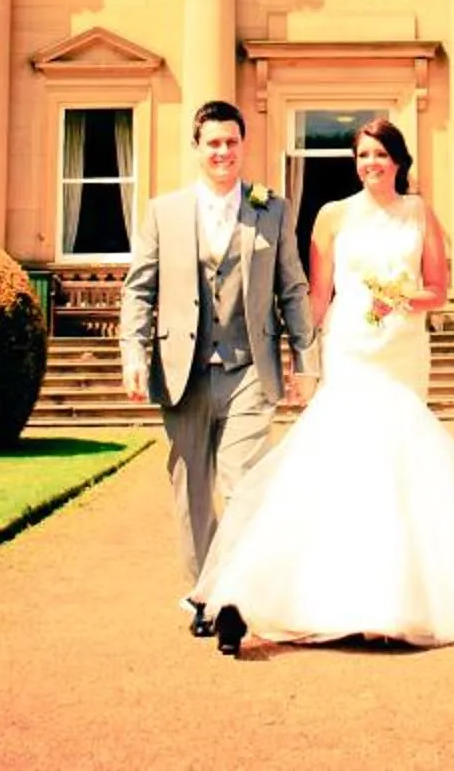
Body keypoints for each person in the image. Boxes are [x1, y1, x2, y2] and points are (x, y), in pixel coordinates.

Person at [195, 117, 454, 655]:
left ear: (398, 161)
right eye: (362, 156)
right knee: (345, 461)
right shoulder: (332, 216)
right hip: (350, 347)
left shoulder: (419, 212)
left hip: (402, 350)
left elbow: (440, 291)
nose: (370, 164)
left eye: (379, 155)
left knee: (404, 461)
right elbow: (316, 296)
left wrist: (405, 297)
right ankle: (334, 595)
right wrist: (302, 357)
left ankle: (402, 600)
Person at [120, 100, 319, 640]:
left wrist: (306, 360)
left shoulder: (270, 208)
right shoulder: (164, 211)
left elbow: (293, 288)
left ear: (243, 145)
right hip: (180, 370)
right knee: (192, 489)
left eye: (231, 142)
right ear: (197, 148)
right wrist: (134, 355)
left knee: (243, 483)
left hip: (250, 366)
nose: (223, 152)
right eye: (213, 143)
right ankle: (202, 595)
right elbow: (139, 289)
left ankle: (231, 593)